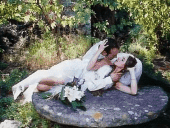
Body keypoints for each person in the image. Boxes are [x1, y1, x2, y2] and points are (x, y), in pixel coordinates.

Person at [11, 38, 141, 101]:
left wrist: (130, 72)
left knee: (42, 87)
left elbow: (133, 91)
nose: (119, 57)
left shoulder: (115, 80)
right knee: (56, 78)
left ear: (123, 67)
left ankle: (31, 84)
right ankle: (20, 86)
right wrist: (100, 54)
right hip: (77, 74)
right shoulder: (108, 63)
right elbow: (90, 69)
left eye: (122, 59)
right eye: (117, 55)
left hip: (79, 83)